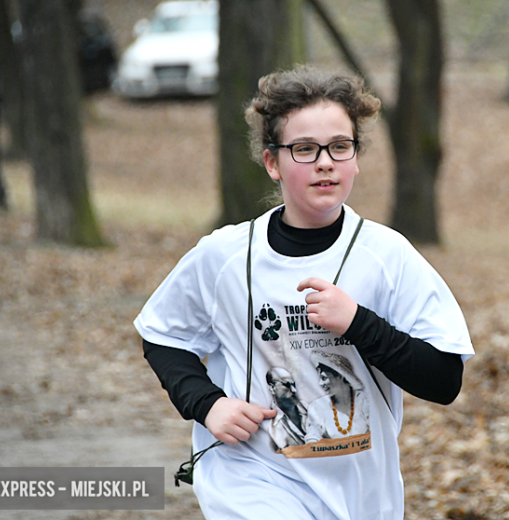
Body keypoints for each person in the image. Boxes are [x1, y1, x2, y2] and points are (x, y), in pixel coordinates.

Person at [135, 65, 473, 520]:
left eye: (339, 146)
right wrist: (207, 403)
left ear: (355, 158)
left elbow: (444, 379)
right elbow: (163, 335)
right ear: (272, 162)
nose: (325, 162)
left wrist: (359, 322)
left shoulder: (387, 256)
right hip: (251, 476)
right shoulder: (225, 256)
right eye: (305, 149)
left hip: (359, 490)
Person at [266, 367, 308, 450]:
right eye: (287, 385)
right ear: (272, 388)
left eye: (293, 385)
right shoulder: (269, 425)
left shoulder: (310, 409)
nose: (294, 390)